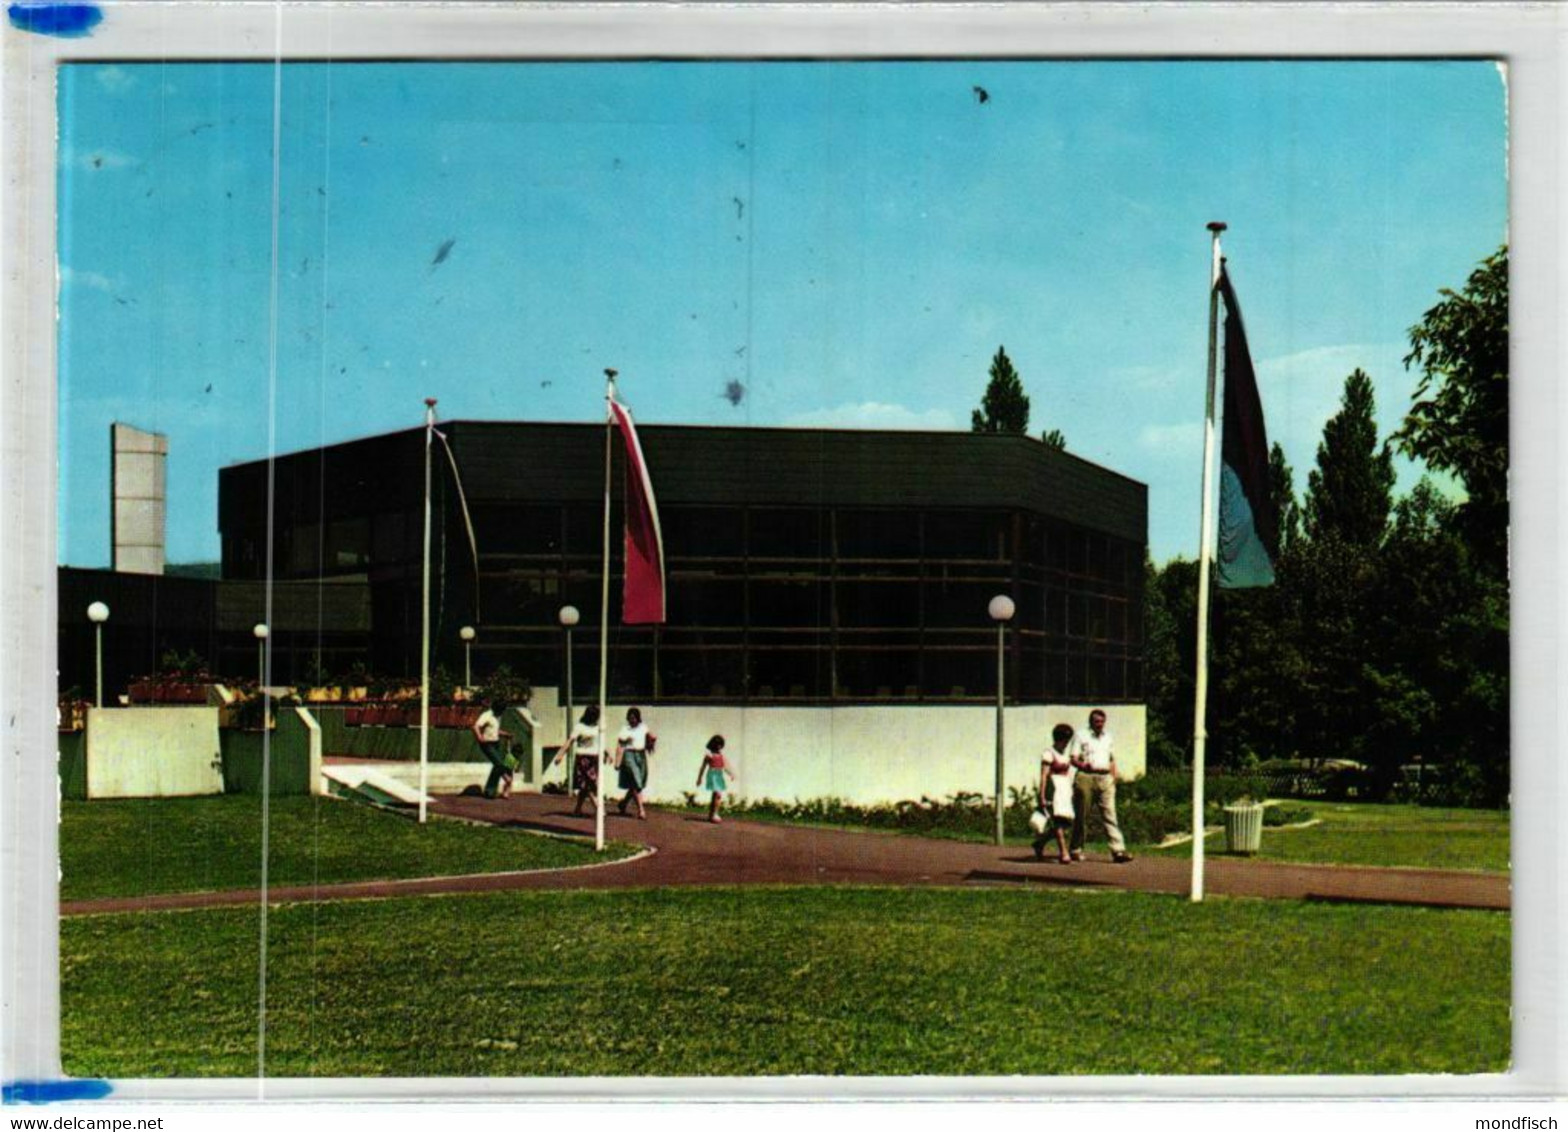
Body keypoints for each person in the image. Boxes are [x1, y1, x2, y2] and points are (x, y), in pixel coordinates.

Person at [1070, 708, 1133, 863]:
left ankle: (1118, 850)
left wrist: (1114, 777)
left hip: (1105, 777)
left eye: (1102, 722)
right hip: (1086, 776)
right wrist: (1083, 765)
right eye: (1096, 721)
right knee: (1082, 815)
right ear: (1091, 722)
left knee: (1110, 814)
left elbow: (1111, 759)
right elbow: (1073, 758)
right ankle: (1076, 849)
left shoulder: (1108, 737)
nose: (1099, 724)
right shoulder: (1081, 735)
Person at [1034, 723, 1077, 864]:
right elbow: (1044, 775)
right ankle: (1063, 852)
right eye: (1064, 740)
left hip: (1064, 789)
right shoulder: (1048, 753)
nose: (1066, 743)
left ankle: (1040, 842)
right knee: (1057, 821)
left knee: (1066, 822)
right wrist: (1042, 795)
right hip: (1053, 789)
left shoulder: (1065, 755)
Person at [471, 698, 514, 800]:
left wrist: (505, 734)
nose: (501, 713)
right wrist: (479, 737)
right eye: (501, 710)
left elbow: (494, 730)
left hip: (496, 743)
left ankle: (490, 792)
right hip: (487, 744)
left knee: (497, 766)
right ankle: (506, 781)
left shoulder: (497, 717)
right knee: (499, 763)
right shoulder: (487, 715)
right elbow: (475, 726)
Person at [615, 706, 653, 819]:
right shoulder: (625, 729)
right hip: (629, 754)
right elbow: (620, 744)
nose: (632, 720)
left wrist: (651, 741)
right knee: (636, 782)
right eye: (630, 718)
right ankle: (641, 810)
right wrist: (617, 761)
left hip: (640, 755)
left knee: (638, 782)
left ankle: (623, 803)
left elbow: (650, 736)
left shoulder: (643, 727)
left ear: (638, 718)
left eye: (634, 718)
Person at [568, 704, 603, 816]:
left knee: (587, 785)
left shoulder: (598, 728)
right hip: (582, 757)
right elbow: (570, 740)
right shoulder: (580, 727)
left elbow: (600, 742)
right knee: (588, 784)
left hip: (594, 757)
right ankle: (598, 808)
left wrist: (607, 753)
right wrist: (560, 755)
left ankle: (577, 809)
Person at [696, 734, 735, 823]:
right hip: (712, 775)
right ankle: (715, 814)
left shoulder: (721, 756)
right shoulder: (709, 755)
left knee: (716, 796)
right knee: (718, 794)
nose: (719, 746)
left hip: (719, 775)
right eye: (717, 744)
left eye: (721, 744)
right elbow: (702, 767)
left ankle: (712, 814)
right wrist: (699, 778)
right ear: (713, 744)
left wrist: (731, 774)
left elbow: (725, 766)